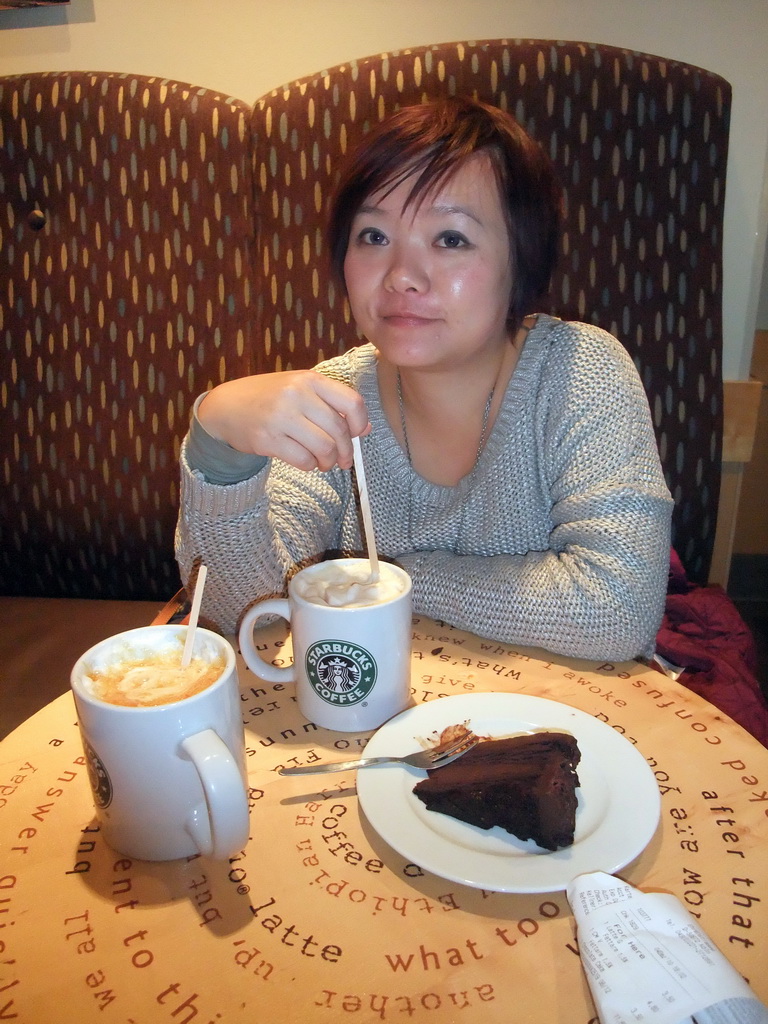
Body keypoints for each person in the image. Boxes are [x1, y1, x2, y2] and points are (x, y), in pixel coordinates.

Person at [176, 97, 673, 661]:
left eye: (451, 239)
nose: (402, 277)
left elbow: (616, 609)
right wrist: (219, 452)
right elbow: (249, 611)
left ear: (523, 259)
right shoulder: (332, 399)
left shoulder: (582, 372)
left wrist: (398, 579)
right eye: (374, 237)